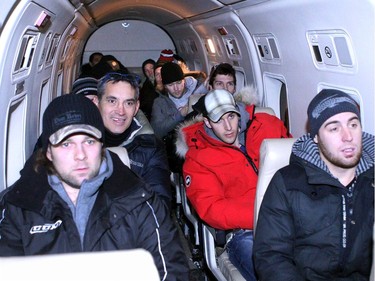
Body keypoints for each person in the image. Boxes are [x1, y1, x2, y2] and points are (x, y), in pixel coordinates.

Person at [0, 94, 189, 280]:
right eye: (66, 144)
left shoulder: (139, 200)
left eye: (89, 141)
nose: (80, 155)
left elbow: (169, 270)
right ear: (48, 152)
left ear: (101, 146)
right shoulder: (18, 206)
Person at [253, 89, 374, 281]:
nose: (348, 136)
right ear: (316, 137)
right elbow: (271, 256)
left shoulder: (370, 181)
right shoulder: (288, 183)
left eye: (353, 124)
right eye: (334, 128)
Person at [175, 89, 292, 281]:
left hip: (289, 217)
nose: (228, 126)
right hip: (245, 231)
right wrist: (261, 214)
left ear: (238, 112)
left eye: (231, 116)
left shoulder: (267, 126)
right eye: (219, 120)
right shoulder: (198, 158)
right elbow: (212, 208)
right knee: (275, 272)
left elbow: (297, 162)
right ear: (207, 122)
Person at [95, 72, 172, 208]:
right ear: (97, 102)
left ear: (136, 108)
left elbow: (160, 206)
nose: (120, 111)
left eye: (128, 103)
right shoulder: (78, 144)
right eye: (112, 101)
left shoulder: (151, 147)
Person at [151, 62, 208, 140]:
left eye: (179, 83)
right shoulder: (160, 103)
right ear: (165, 86)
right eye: (170, 85)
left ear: (184, 80)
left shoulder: (200, 89)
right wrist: (180, 115)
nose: (176, 88)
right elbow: (157, 131)